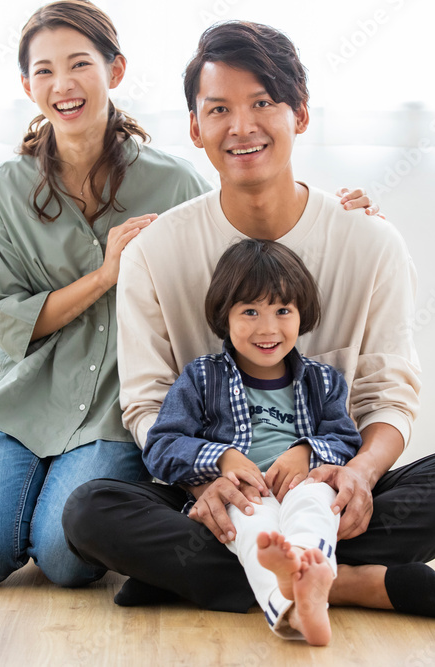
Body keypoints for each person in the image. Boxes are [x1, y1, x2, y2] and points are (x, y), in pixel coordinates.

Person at [63, 20, 435, 616]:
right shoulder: (154, 252)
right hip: (219, 499)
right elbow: (147, 405)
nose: (241, 126)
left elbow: (389, 395)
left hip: (326, 494)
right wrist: (207, 484)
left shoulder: (371, 242)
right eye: (219, 109)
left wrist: (359, 475)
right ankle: (345, 581)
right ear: (195, 127)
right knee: (89, 511)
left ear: (300, 113)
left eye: (263, 103)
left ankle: (208, 578)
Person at [0, 0, 383, 588]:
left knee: (68, 561)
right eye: (44, 70)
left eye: (79, 64)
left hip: (112, 415)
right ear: (27, 85)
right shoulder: (2, 191)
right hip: (23, 403)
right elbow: (3, 319)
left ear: (115, 70)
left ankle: (302, 572)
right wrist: (104, 276)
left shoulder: (174, 182)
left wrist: (342, 216)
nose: (63, 84)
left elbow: (248, 238)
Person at [144, 238, 364, 644]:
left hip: (304, 484)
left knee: (317, 506)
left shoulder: (323, 380)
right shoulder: (202, 377)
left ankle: (303, 579)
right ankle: (299, 603)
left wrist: (306, 451)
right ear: (224, 316)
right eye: (250, 311)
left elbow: (346, 440)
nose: (268, 328)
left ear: (302, 314)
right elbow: (161, 446)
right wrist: (222, 457)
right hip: (242, 494)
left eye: (283, 310)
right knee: (252, 529)